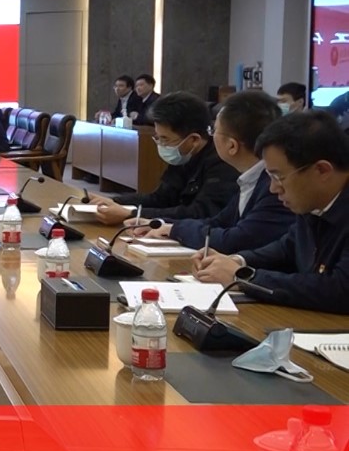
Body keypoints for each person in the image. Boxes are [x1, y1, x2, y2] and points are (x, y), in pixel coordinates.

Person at [194, 110, 349, 313]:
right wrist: (236, 260)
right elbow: (287, 249)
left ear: (322, 170)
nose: (273, 188)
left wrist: (242, 277)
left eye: (278, 177)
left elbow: (340, 290)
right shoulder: (312, 202)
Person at [145, 90, 294, 252]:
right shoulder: (250, 178)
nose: (210, 137)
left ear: (232, 145)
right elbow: (218, 222)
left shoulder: (274, 186)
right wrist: (160, 224)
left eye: (213, 131)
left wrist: (176, 230)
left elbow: (235, 240)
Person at [93, 92, 239, 225]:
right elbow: (161, 198)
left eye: (165, 139)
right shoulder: (183, 156)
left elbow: (200, 213)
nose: (161, 145)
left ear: (194, 139)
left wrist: (133, 214)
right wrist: (114, 201)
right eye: (158, 137)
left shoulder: (222, 163)